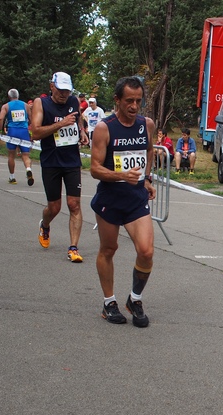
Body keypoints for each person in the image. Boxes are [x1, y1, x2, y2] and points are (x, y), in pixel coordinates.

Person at [90, 76, 157, 327]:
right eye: (129, 100)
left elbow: (149, 149)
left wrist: (147, 177)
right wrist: (121, 176)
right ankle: (109, 302)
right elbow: (95, 168)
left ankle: (135, 299)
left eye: (138, 101)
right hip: (110, 199)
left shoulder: (146, 124)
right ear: (117, 100)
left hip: (136, 199)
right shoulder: (104, 128)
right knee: (109, 250)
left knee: (146, 251)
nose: (134, 106)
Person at [30, 71, 89, 262]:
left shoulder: (73, 102)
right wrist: (61, 123)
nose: (64, 95)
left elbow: (77, 118)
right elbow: (36, 133)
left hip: (71, 160)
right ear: (52, 86)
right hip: (51, 161)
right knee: (54, 208)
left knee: (74, 204)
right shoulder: (41, 103)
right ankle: (45, 224)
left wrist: (81, 132)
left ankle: (73, 248)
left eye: (67, 91)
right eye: (61, 90)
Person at [0, 88, 34, 186]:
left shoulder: (6, 106)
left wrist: (0, 130)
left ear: (9, 96)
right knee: (26, 155)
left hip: (12, 131)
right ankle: (28, 169)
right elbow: (31, 118)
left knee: (11, 155)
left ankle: (12, 177)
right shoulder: (25, 105)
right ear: (18, 96)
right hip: (24, 131)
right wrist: (32, 131)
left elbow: (1, 118)